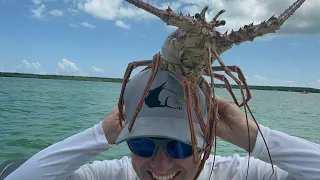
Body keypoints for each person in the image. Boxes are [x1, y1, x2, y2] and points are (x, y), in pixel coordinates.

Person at [4, 69, 320, 180]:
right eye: (142, 144)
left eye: (180, 145)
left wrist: (255, 138)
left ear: (207, 146)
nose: (160, 163)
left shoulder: (240, 173)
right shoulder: (110, 175)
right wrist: (101, 133)